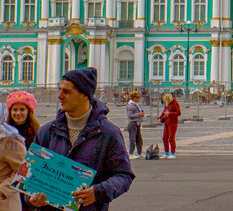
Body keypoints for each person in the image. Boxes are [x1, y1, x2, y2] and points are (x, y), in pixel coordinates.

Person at [28, 67, 133, 211]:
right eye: (60, 90)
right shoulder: (47, 132)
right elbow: (31, 174)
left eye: (66, 92)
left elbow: (123, 175)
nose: (59, 96)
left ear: (84, 94)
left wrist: (98, 192)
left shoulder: (108, 133)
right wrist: (32, 197)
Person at [158, 93, 180, 159]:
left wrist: (170, 113)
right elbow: (164, 112)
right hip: (167, 122)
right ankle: (166, 152)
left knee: (171, 138)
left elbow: (178, 113)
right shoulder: (167, 105)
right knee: (164, 138)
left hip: (173, 122)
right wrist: (160, 117)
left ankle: (173, 153)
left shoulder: (175, 103)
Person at [122, 92, 142, 159]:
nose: (139, 99)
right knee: (132, 139)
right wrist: (139, 114)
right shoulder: (131, 105)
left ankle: (140, 153)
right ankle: (131, 153)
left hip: (137, 123)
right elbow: (130, 115)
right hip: (132, 123)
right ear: (134, 98)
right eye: (138, 98)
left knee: (139, 139)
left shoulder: (136, 105)